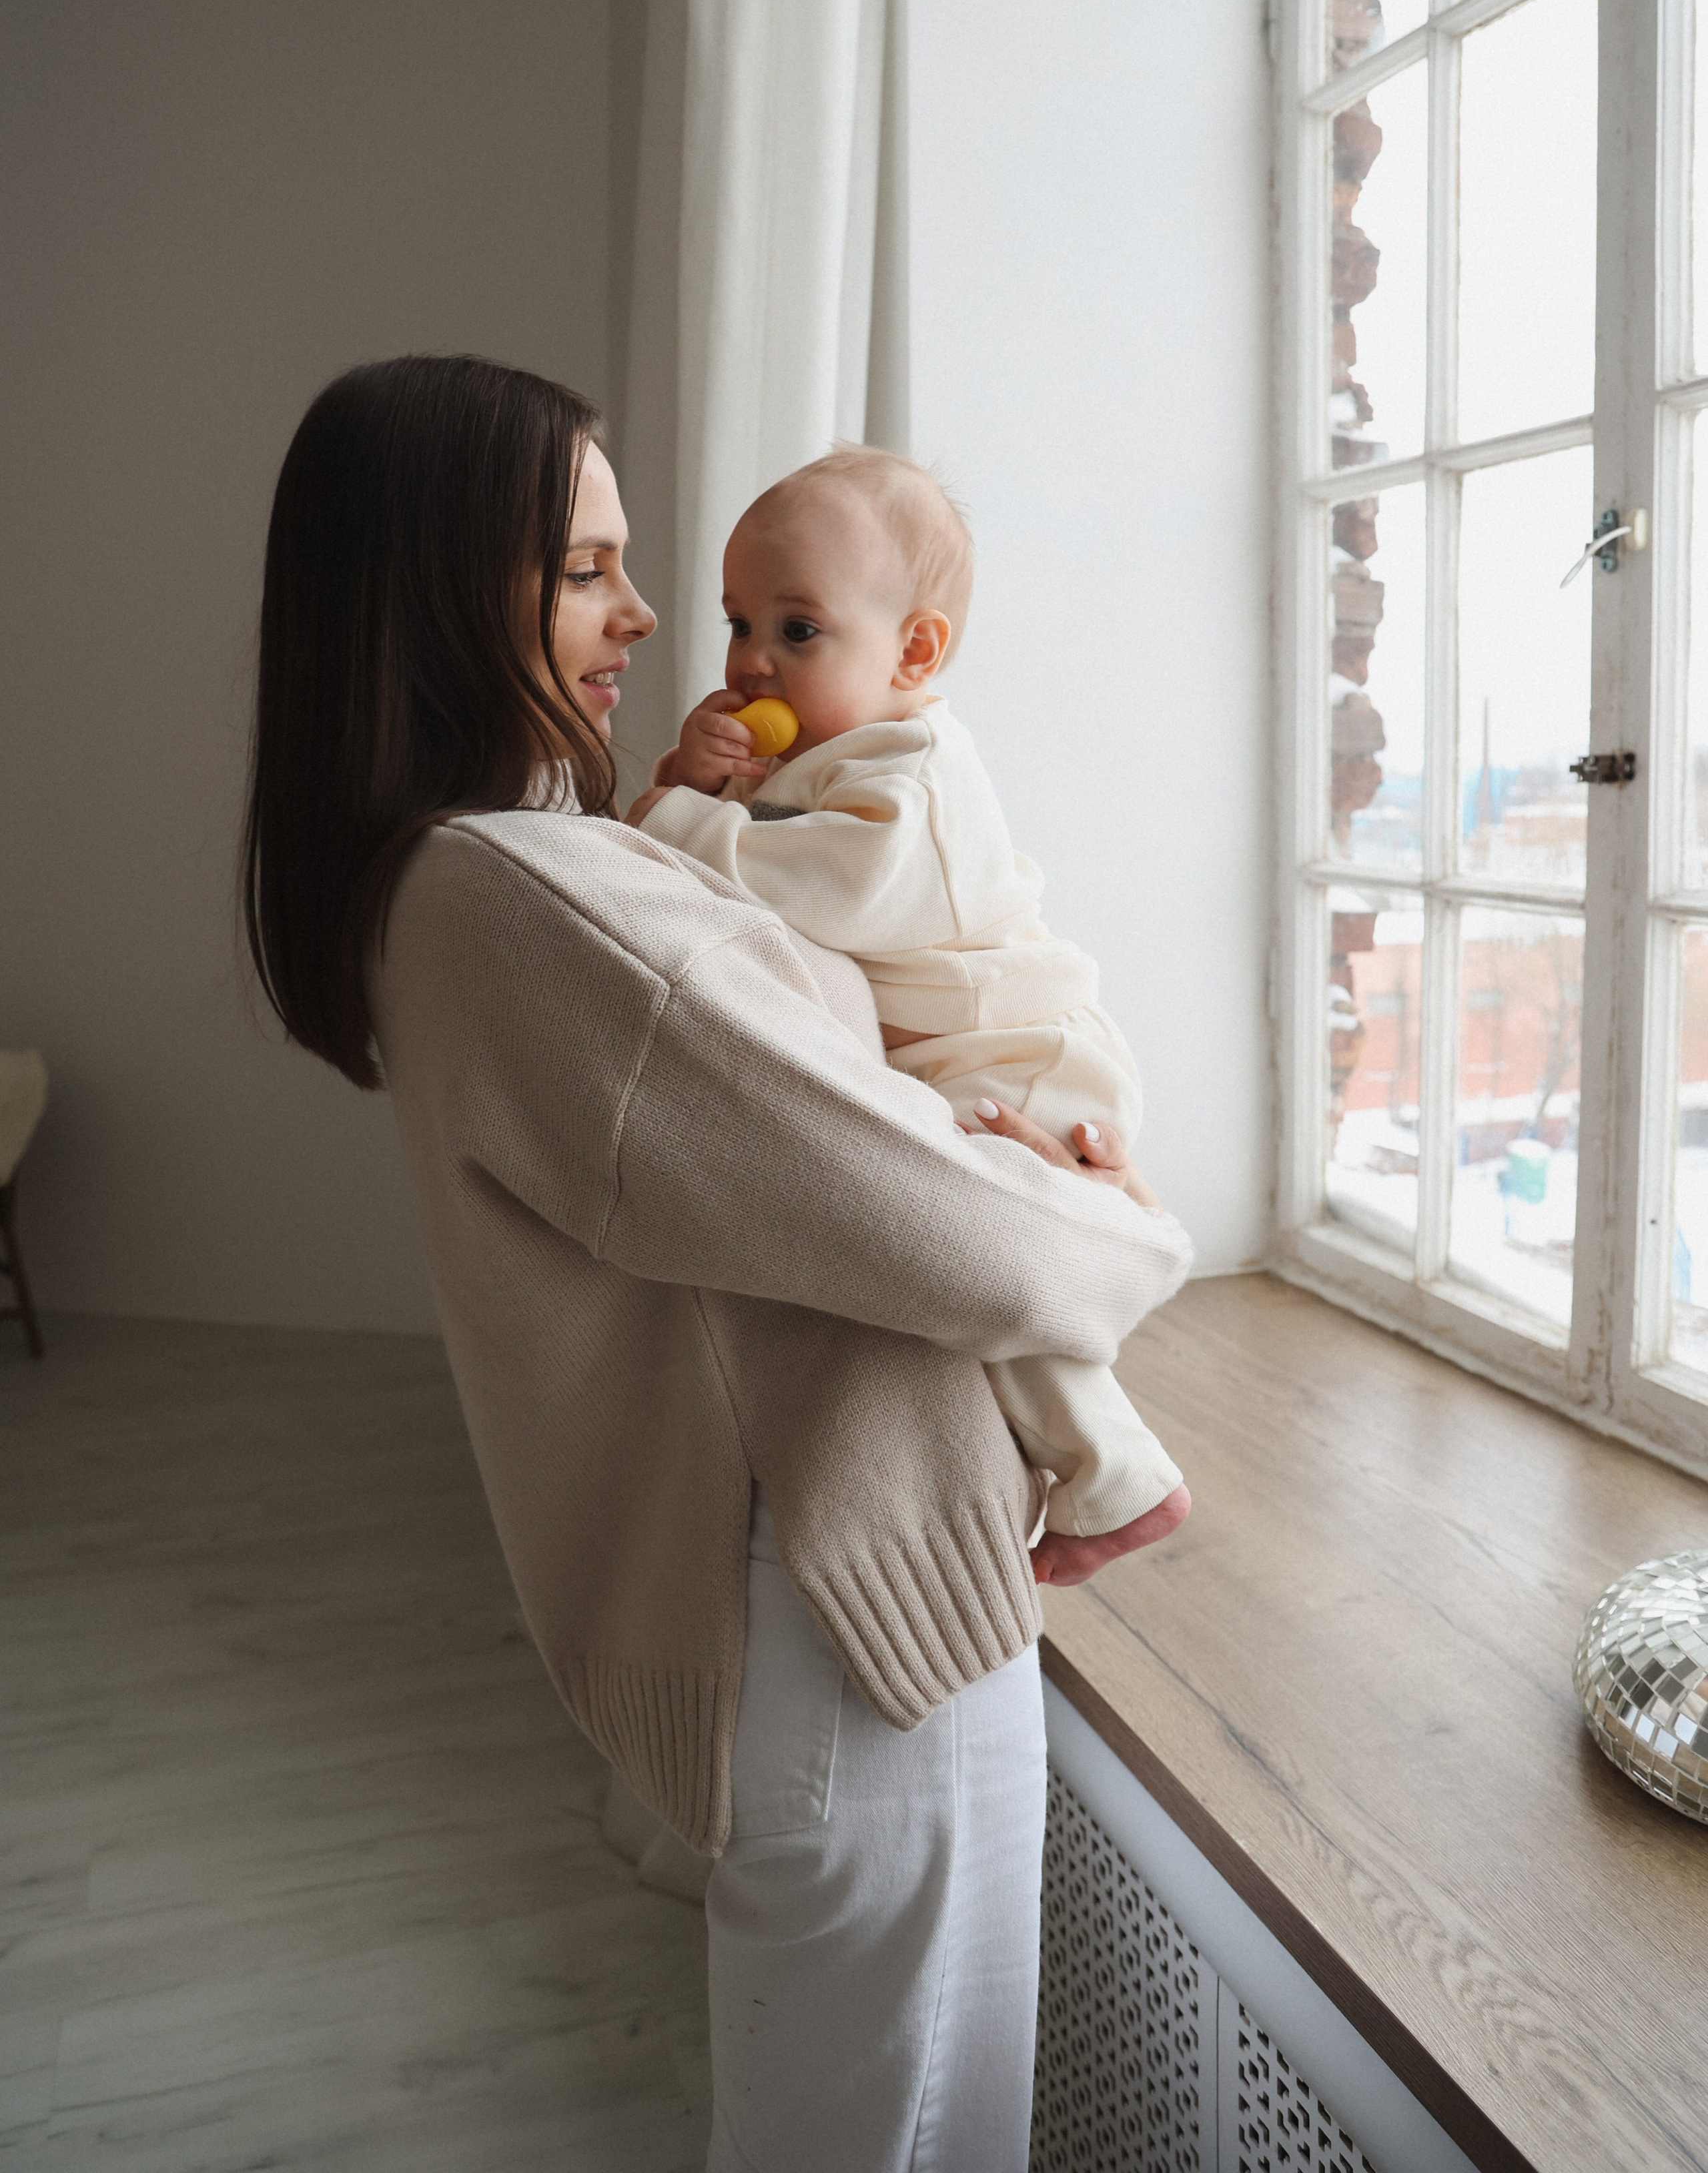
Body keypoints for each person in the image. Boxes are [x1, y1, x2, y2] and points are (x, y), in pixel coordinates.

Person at [242, 355, 1195, 2173]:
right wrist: (1130, 1222)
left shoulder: (526, 876)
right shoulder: (524, 898)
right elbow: (950, 1230)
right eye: (591, 565)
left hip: (848, 1592)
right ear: (449, 588)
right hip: (836, 1615)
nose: (656, 614)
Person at [630, 446, 1186, 1551]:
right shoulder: (828, 758)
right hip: (970, 1050)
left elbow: (815, 887)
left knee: (990, 1274)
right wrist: (692, 776)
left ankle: (1118, 1482)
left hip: (1016, 1051)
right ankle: (1103, 1473)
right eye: (738, 623)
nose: (750, 662)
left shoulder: (919, 779)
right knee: (976, 1274)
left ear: (915, 649)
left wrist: (674, 820)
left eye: (798, 631)